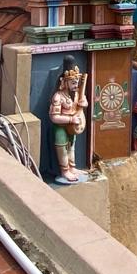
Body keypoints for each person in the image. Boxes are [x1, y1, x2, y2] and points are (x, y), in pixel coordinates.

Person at [49, 55, 88, 183]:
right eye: (72, 82)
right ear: (64, 82)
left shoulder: (76, 94)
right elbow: (54, 117)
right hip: (61, 127)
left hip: (73, 126)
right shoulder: (58, 97)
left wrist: (84, 103)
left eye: (77, 82)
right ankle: (65, 170)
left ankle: (72, 167)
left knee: (72, 147)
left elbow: (84, 103)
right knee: (62, 148)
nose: (75, 85)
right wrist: (70, 120)